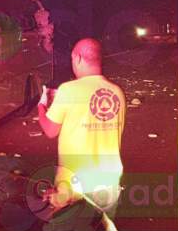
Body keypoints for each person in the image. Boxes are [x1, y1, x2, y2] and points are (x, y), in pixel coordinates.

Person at [37, 38, 126, 217]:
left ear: (77, 58)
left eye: (72, 60)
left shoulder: (68, 90)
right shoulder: (117, 92)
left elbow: (50, 130)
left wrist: (42, 105)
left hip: (76, 187)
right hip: (109, 184)